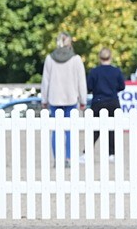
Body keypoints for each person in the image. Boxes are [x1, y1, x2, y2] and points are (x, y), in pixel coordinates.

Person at [40, 32, 86, 165]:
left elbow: (45, 81)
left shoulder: (50, 58)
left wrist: (44, 99)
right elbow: (81, 81)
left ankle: (57, 158)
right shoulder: (76, 59)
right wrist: (83, 100)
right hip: (71, 98)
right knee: (70, 130)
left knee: (56, 130)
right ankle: (68, 157)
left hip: (54, 98)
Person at [85, 48, 126, 161]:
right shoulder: (116, 71)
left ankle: (87, 152)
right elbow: (122, 86)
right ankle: (111, 153)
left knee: (94, 128)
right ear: (111, 57)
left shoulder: (94, 71)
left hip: (98, 101)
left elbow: (89, 87)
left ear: (99, 58)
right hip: (112, 101)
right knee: (112, 128)